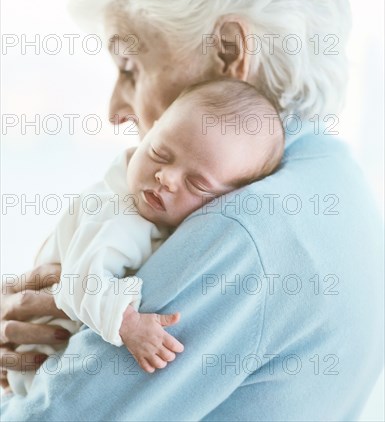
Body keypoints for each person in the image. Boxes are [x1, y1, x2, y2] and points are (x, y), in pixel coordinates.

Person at [1, 0, 383, 420]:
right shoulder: (332, 170)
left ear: (229, 50)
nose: (116, 109)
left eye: (130, 67)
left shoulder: (239, 232)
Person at [7, 78, 284, 395]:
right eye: (159, 153)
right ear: (149, 132)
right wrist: (128, 323)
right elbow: (81, 282)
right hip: (36, 365)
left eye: (196, 184)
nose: (165, 178)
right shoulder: (117, 215)